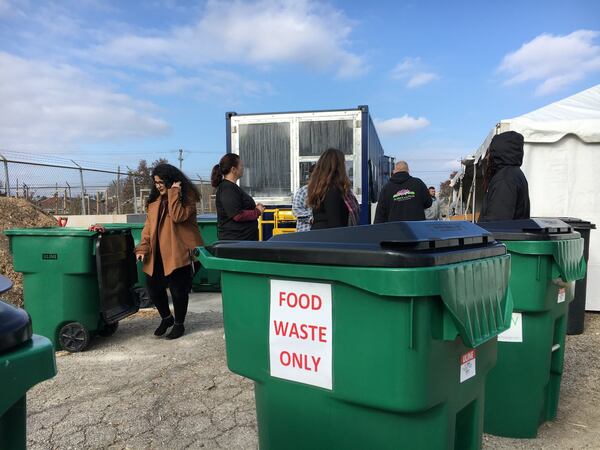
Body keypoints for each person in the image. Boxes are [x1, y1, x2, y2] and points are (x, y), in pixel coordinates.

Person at [135, 163, 203, 340]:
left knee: (178, 290)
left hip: (179, 253)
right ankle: (167, 318)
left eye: (160, 181)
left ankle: (179, 324)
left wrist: (174, 192)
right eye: (155, 182)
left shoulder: (188, 198)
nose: (157, 185)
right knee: (153, 288)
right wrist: (143, 247)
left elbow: (178, 216)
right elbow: (148, 228)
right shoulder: (154, 203)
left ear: (171, 181)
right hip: (158, 253)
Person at [211, 154, 265, 240]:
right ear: (233, 169)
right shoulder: (227, 188)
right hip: (236, 244)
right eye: (241, 165)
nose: (243, 168)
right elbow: (237, 215)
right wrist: (257, 211)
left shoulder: (232, 187)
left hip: (243, 242)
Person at [479, 131, 530, 221]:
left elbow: (496, 224)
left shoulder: (505, 179)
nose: (487, 157)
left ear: (498, 153)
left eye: (490, 152)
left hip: (502, 235)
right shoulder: (515, 174)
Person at [308, 148, 358, 229]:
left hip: (319, 234)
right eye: (343, 163)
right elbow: (334, 221)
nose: (345, 166)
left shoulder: (320, 187)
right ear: (338, 166)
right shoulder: (333, 189)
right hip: (329, 236)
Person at [291, 164, 315, 232]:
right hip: (305, 231)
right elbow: (296, 209)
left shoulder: (327, 191)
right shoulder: (303, 191)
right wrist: (311, 218)